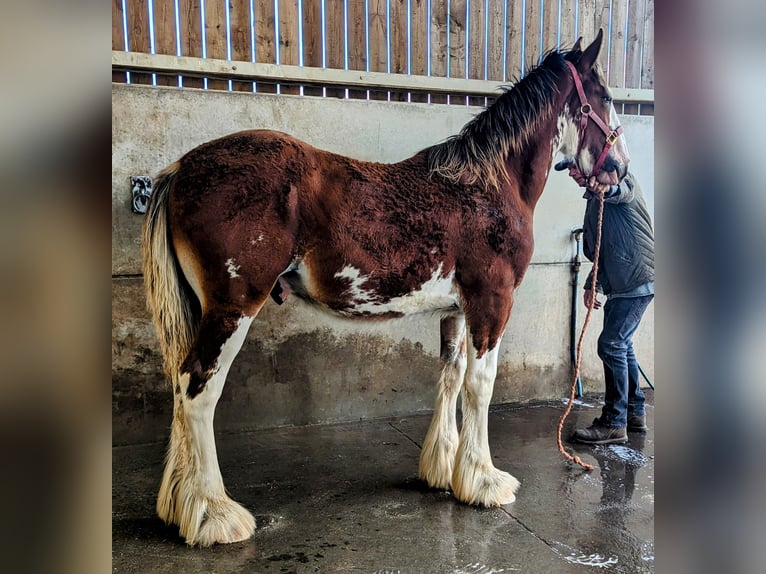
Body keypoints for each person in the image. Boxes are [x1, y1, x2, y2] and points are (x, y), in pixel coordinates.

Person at [559, 163, 655, 445]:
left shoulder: (621, 179)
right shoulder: (594, 202)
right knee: (622, 346)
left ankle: (614, 423)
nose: (572, 174)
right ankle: (634, 412)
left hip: (636, 280)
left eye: (576, 169)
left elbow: (621, 191)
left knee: (611, 345)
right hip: (625, 282)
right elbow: (604, 247)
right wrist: (592, 284)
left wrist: (607, 187)